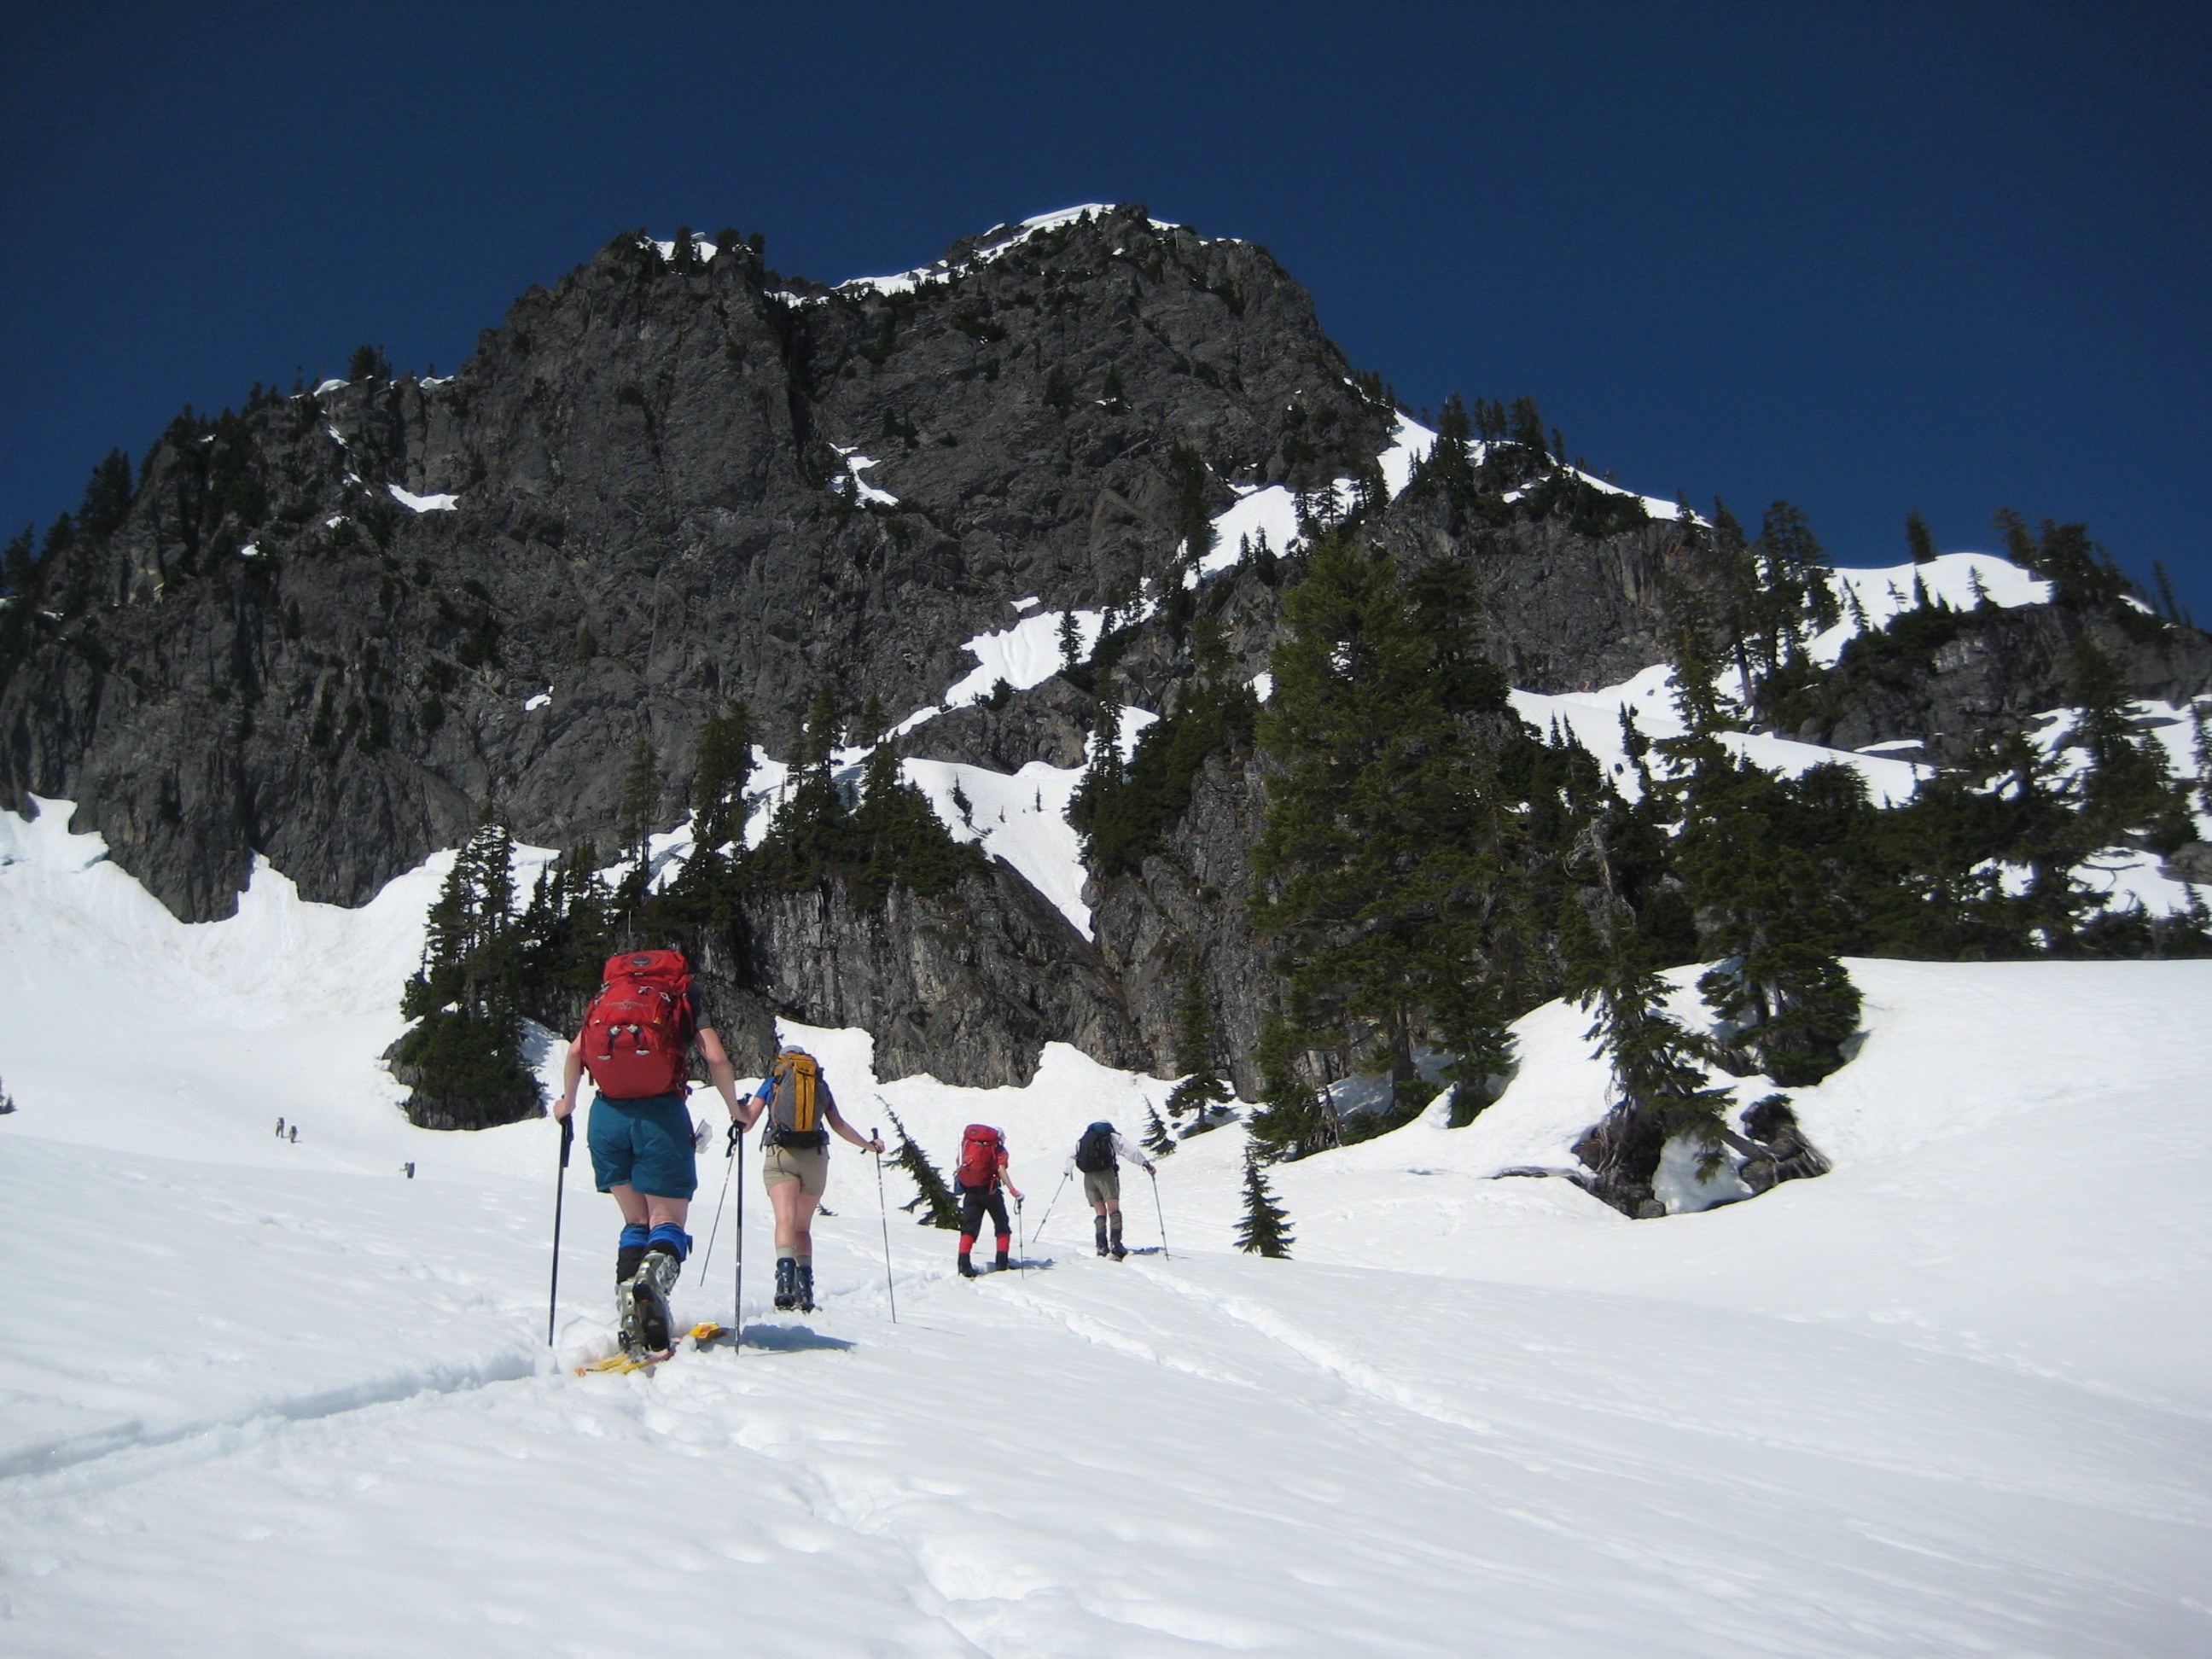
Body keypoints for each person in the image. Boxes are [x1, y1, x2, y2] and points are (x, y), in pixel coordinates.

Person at [553, 948, 744, 1355]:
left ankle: (633, 1319)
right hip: (660, 1116)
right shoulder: (682, 994)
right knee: (666, 1220)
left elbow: (574, 1053)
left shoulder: (608, 995)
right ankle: (651, 1282)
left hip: (606, 1117)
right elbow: (716, 1057)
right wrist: (736, 1110)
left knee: (636, 1221)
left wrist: (567, 1103)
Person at [738, 1047, 882, 1313]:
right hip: (815, 1158)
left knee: (785, 1220)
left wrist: (737, 1113)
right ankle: (805, 1290)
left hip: (781, 1154)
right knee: (802, 1228)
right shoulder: (819, 1085)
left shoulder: (774, 1081)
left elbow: (747, 1122)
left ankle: (784, 1283)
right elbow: (839, 1125)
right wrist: (869, 1145)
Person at [1069, 1120, 1154, 1260]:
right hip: (1106, 1175)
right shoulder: (1111, 1136)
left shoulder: (1085, 1139)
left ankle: (1101, 1246)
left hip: (1089, 1177)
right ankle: (1116, 1244)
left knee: (1099, 1211)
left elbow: (1072, 1155)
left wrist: (1067, 1171)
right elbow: (1131, 1151)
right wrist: (1145, 1163)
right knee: (1113, 1209)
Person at [953, 1123, 1024, 1278]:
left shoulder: (969, 1144)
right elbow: (1001, 1169)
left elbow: (960, 1162)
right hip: (990, 1192)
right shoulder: (998, 1149)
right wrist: (1013, 1190)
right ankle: (1002, 1262)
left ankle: (963, 1264)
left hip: (971, 1192)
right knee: (1002, 1224)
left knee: (969, 1228)